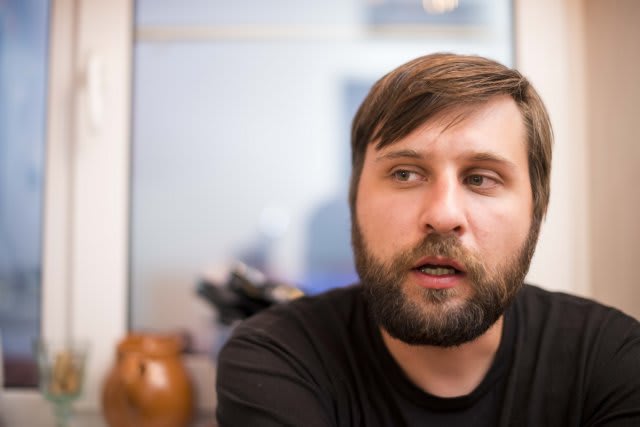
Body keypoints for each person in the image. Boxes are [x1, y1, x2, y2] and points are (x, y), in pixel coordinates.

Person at [215, 53, 640, 426]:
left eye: (480, 179)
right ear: (354, 200)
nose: (443, 216)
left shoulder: (610, 360)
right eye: (405, 174)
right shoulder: (278, 356)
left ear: (538, 210)